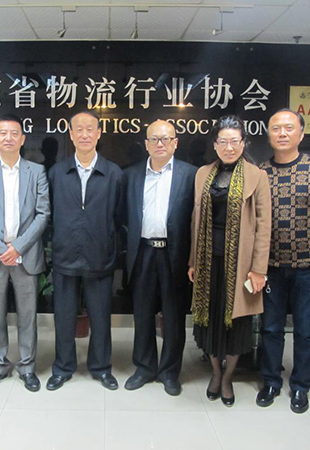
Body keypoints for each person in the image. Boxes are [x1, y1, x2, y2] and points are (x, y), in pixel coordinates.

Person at [256, 108, 310, 413]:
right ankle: (270, 381)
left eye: (289, 128)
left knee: (305, 330)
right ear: (268, 134)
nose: (282, 133)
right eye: (276, 128)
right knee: (270, 328)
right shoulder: (260, 172)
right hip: (271, 266)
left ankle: (300, 387)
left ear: (301, 134)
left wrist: (309, 239)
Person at [188, 115, 271, 407]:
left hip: (241, 264)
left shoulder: (257, 176)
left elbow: (264, 226)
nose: (229, 147)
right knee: (210, 318)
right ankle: (215, 372)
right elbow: (195, 220)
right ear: (215, 144)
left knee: (237, 321)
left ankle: (227, 378)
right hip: (208, 260)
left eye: (235, 141)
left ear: (243, 143)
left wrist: (259, 269)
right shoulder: (203, 174)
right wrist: (193, 261)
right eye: (223, 141)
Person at [47, 111, 124, 391]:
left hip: (99, 257)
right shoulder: (57, 172)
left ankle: (101, 367)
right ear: (70, 134)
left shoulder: (113, 173)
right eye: (78, 129)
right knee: (64, 317)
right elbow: (49, 214)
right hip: (65, 256)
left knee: (101, 318)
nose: (84, 134)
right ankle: (63, 367)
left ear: (99, 133)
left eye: (90, 129)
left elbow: (119, 217)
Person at [0, 114, 50, 392]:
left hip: (25, 254)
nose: (8, 138)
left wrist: (18, 246)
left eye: (14, 133)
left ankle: (27, 367)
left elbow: (43, 214)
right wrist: (0, 248)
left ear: (22, 139)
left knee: (27, 315)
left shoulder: (36, 171)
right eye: (3, 133)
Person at [123, 120, 197, 396]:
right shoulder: (130, 175)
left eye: (166, 139)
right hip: (142, 251)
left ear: (175, 143)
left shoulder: (190, 175)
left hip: (174, 253)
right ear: (146, 144)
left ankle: (169, 371)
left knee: (174, 315)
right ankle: (144, 367)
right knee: (142, 313)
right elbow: (122, 215)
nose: (160, 144)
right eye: (154, 139)